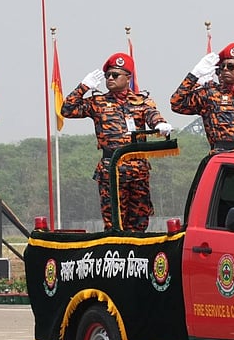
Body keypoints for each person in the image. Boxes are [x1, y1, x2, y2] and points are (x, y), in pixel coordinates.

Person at [61, 52, 173, 231]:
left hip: (137, 170)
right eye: (107, 75)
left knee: (139, 220)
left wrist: (159, 123)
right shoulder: (98, 102)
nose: (110, 78)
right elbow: (67, 110)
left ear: (128, 77)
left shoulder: (141, 101)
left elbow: (152, 115)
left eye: (115, 75)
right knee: (114, 221)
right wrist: (83, 87)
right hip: (112, 169)